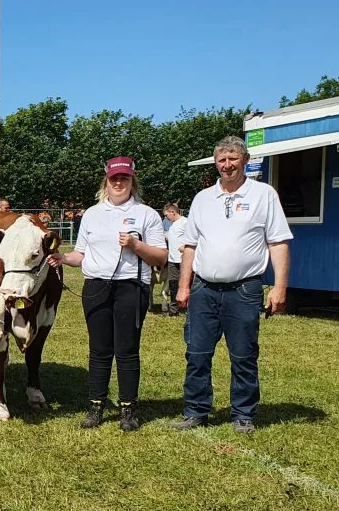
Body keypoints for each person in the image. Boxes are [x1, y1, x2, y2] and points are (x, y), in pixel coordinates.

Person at [172, 136, 293, 435]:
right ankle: (196, 411)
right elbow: (190, 246)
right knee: (197, 353)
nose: (226, 165)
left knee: (243, 354)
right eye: (221, 160)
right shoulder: (202, 199)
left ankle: (243, 414)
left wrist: (280, 287)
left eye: (232, 159)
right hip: (204, 289)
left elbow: (277, 243)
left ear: (245, 160)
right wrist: (183, 286)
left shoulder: (264, 195)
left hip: (245, 289)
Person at [47, 156, 166, 432]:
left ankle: (128, 408)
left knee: (126, 350)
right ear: (106, 181)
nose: (118, 183)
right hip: (97, 286)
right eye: (114, 178)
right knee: (99, 350)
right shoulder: (92, 214)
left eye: (124, 178)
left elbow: (160, 257)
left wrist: (136, 245)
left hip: (130, 286)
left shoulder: (147, 214)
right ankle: (96, 406)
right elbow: (82, 254)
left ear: (132, 180)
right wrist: (63, 259)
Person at [163, 203, 188, 316]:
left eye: (166, 215)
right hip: (172, 260)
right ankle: (173, 310)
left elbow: (193, 237)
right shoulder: (172, 225)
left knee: (186, 284)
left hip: (183, 260)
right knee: (173, 284)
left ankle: (187, 308)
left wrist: (185, 248)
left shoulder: (185, 222)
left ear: (173, 212)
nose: (166, 218)